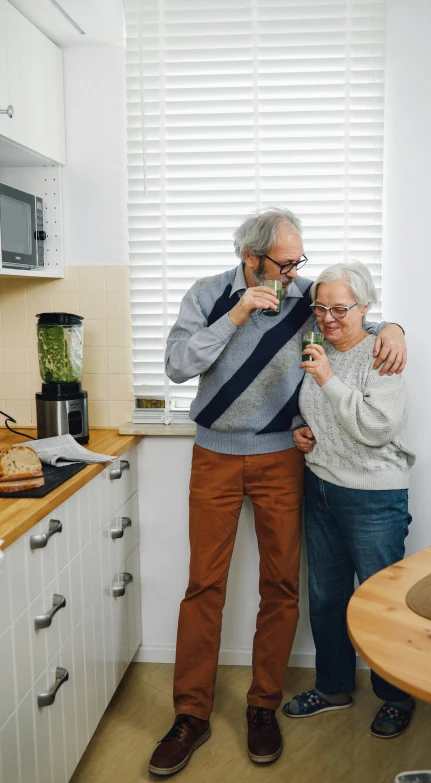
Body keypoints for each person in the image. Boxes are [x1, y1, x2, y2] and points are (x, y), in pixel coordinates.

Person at [148, 208, 407, 777]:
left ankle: (262, 705)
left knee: (282, 585)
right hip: (215, 455)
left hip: (282, 458)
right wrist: (237, 314)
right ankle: (191, 715)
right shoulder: (208, 295)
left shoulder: (304, 294)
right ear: (251, 258)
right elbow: (174, 365)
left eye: (298, 263)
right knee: (204, 585)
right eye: (285, 264)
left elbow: (354, 310)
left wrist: (394, 327)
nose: (295, 274)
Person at [284, 261, 416, 739]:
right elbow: (324, 417)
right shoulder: (318, 348)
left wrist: (326, 380)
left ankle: (396, 697)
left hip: (373, 498)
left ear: (365, 308)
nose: (328, 317)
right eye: (320, 307)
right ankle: (334, 686)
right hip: (320, 487)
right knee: (326, 598)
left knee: (379, 602)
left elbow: (376, 426)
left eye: (340, 308)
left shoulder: (382, 355)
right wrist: (304, 432)